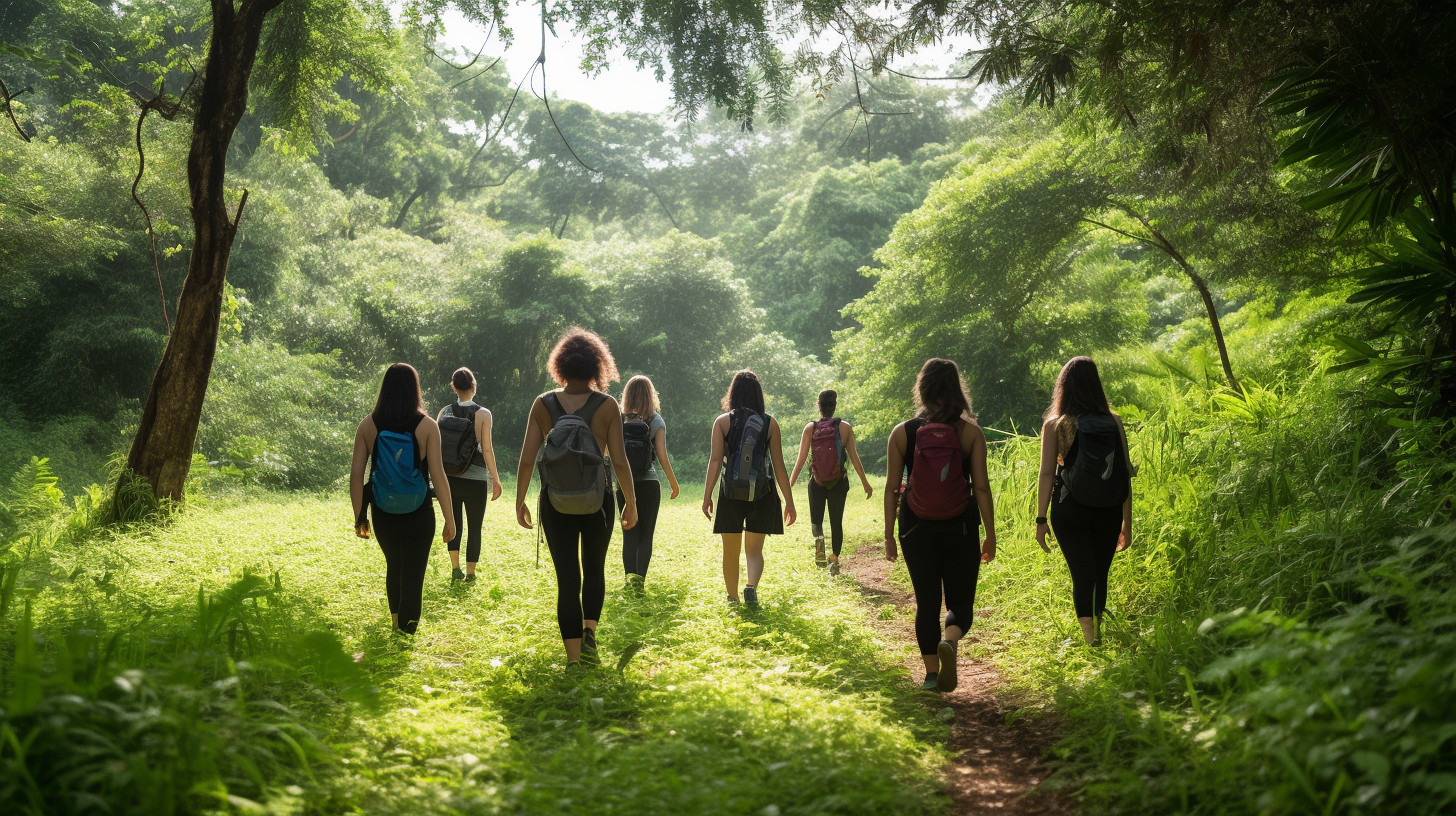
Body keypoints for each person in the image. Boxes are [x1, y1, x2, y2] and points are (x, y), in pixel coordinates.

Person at [516, 328, 638, 667]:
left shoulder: (542, 405)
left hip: (554, 502)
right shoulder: (607, 405)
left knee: (567, 578)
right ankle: (589, 635)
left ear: (561, 366)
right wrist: (630, 501)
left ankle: (573, 661)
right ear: (598, 365)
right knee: (594, 570)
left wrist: (520, 500)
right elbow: (620, 460)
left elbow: (527, 459)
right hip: (598, 501)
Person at [883, 358, 996, 692]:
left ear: (922, 387)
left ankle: (932, 675)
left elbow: (892, 488)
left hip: (915, 528)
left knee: (927, 602)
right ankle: (950, 639)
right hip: (960, 527)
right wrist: (990, 533)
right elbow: (982, 487)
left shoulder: (903, 432)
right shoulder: (970, 431)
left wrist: (889, 534)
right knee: (960, 603)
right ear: (956, 388)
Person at [350, 363, 457, 635]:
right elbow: (439, 476)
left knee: (394, 566)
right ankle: (406, 635)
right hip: (419, 511)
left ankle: (396, 624)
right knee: (413, 574)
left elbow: (355, 476)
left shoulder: (367, 424)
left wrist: (359, 517)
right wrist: (450, 519)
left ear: (384, 389)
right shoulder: (427, 426)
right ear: (414, 389)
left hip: (383, 511)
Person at [1034, 356, 1134, 647]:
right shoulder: (1113, 421)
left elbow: (1046, 474)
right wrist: (1128, 520)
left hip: (1069, 509)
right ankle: (1098, 632)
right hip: (1109, 508)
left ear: (1064, 387)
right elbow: (1123, 473)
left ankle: (1091, 641)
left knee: (1082, 574)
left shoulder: (1056, 424)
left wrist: (1041, 519)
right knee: (1099, 573)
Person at [702, 370, 796, 607]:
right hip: (762, 493)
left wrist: (707, 497)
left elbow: (715, 461)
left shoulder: (722, 422)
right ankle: (750, 586)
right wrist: (789, 502)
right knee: (754, 551)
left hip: (730, 493)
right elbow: (779, 464)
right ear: (758, 394)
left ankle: (732, 598)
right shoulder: (770, 423)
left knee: (730, 552)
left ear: (733, 393)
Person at [789, 389, 873, 576]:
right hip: (838, 482)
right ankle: (834, 560)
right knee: (836, 521)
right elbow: (853, 457)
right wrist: (865, 483)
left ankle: (819, 549)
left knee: (816, 520)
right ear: (835, 405)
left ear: (818, 406)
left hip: (816, 481)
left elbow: (801, 459)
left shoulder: (810, 428)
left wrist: (790, 484)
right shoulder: (844, 428)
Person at [436, 367, 503, 582]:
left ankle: (455, 569)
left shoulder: (444, 412)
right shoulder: (483, 414)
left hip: (449, 478)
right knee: (475, 526)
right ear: (473, 385)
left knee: (453, 521)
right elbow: (488, 449)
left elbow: (439, 449)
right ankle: (471, 573)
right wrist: (496, 479)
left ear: (453, 387)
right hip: (475, 478)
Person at [617, 374, 681, 589]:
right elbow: (662, 456)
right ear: (650, 395)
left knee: (629, 534)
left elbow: (609, 453)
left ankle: (628, 581)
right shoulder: (655, 420)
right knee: (646, 535)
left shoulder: (618, 418)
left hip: (624, 485)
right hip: (649, 484)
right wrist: (673, 483)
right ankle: (639, 585)